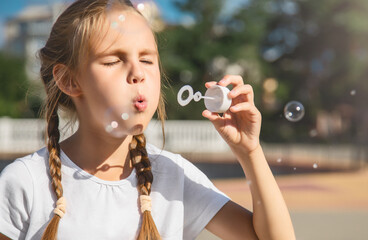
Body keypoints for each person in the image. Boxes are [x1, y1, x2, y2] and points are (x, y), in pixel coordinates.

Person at [0, 0, 295, 239]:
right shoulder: (25, 183)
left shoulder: (173, 178)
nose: (138, 73)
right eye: (114, 60)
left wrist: (250, 152)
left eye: (147, 59)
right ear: (69, 80)